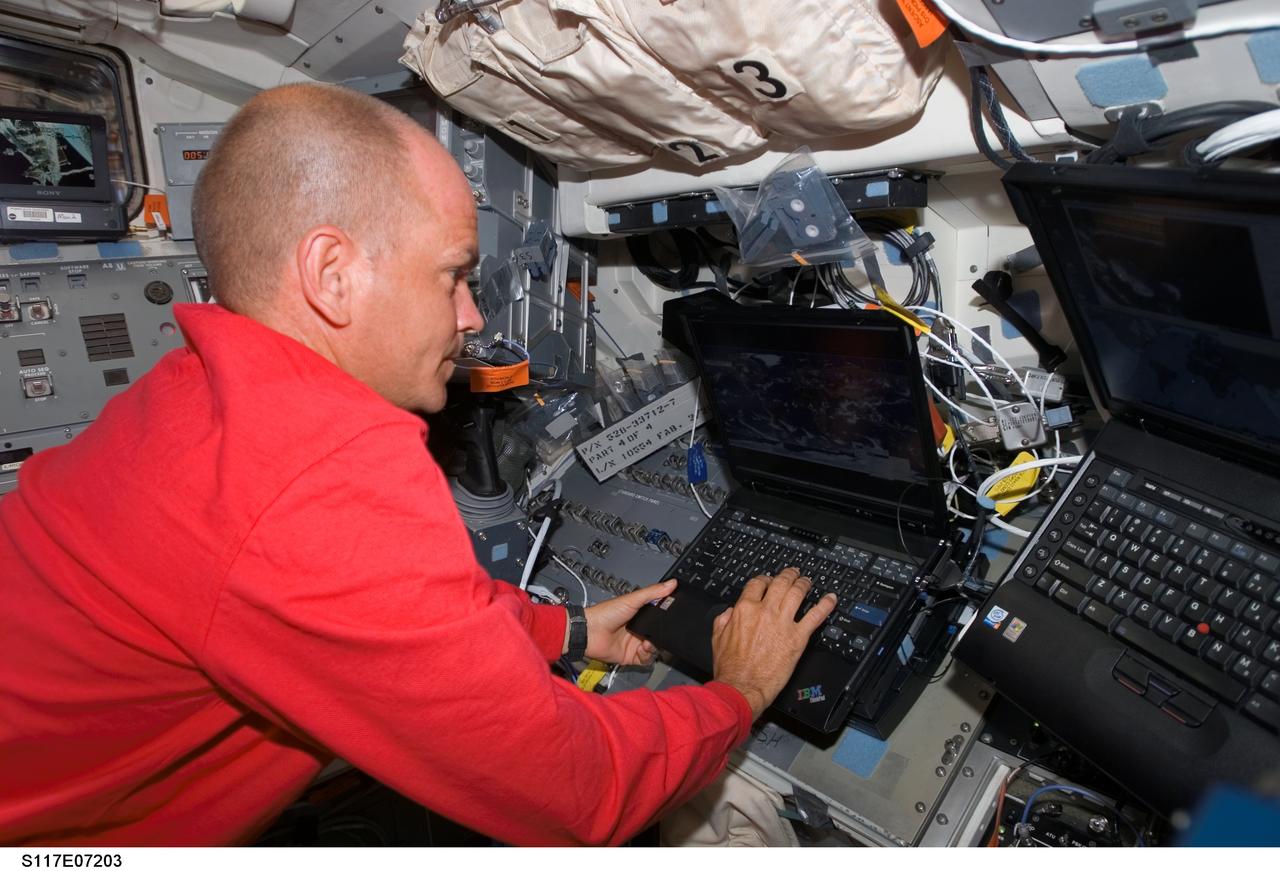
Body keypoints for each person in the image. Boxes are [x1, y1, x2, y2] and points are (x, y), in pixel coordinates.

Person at [0, 83, 836, 846]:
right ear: (333, 275)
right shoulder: (317, 474)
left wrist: (564, 627)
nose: (472, 317)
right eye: (453, 277)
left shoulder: (200, 393)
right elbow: (579, 794)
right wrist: (741, 690)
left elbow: (389, 619)